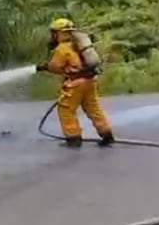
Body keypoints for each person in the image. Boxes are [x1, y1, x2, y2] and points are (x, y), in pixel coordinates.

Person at [36, 18, 115, 148]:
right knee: (94, 109)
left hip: (75, 84)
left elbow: (56, 67)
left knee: (66, 110)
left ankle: (73, 139)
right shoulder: (79, 45)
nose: (53, 36)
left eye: (54, 33)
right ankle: (107, 134)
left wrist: (45, 66)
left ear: (60, 33)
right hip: (90, 80)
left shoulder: (62, 48)